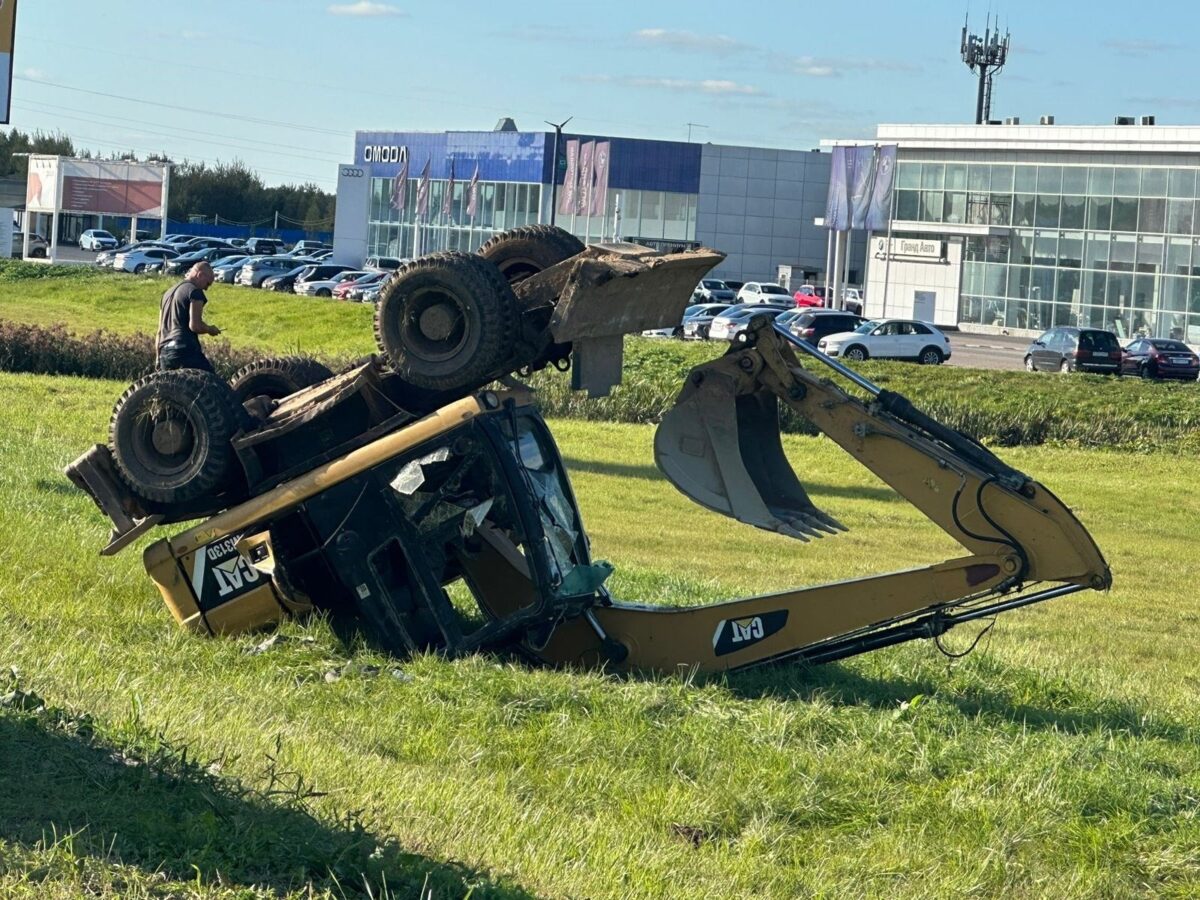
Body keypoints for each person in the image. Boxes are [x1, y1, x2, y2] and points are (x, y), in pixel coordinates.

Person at [156, 261, 221, 372]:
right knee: (211, 384)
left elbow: (159, 331)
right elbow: (195, 325)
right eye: (207, 284)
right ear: (200, 275)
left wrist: (158, 358)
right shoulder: (194, 292)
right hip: (184, 350)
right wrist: (210, 329)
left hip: (165, 352)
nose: (206, 288)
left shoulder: (167, 294)